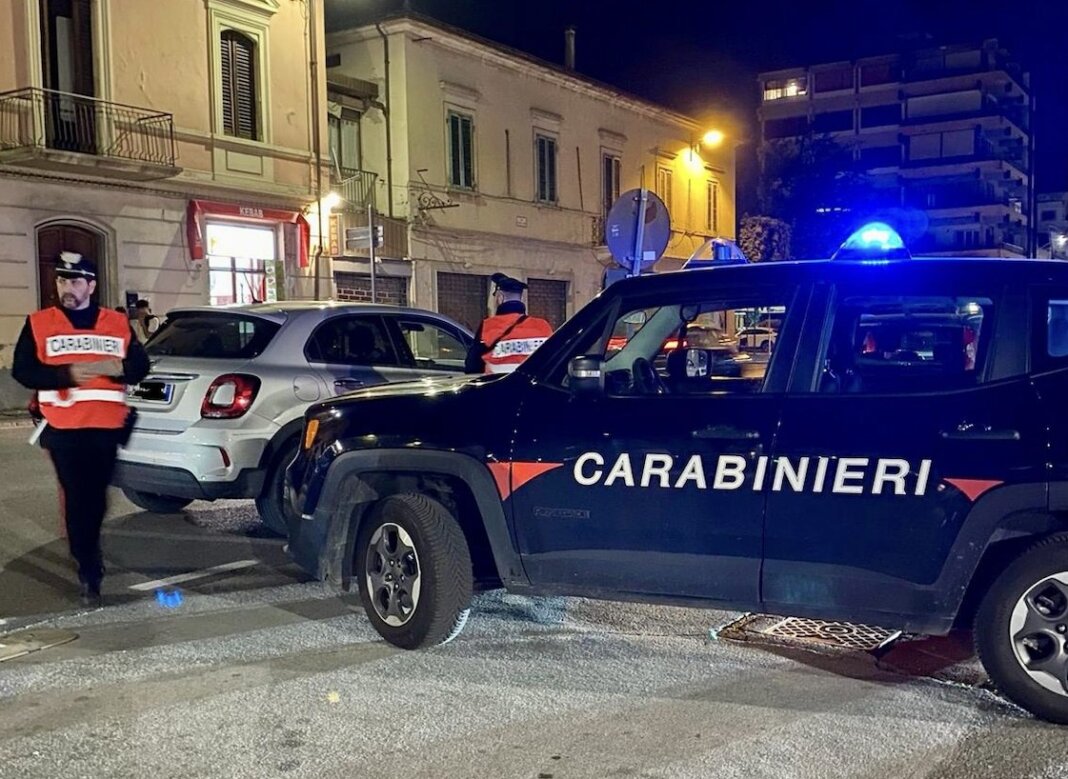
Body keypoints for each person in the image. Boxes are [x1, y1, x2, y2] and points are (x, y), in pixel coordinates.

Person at [11, 252, 150, 607]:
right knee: (76, 498)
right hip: (63, 428)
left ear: (91, 285)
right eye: (61, 281)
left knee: (97, 499)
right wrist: (65, 375)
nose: (66, 288)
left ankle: (87, 550)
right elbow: (23, 371)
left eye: (74, 281)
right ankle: (88, 564)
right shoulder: (40, 322)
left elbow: (139, 367)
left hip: (105, 428)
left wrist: (116, 366)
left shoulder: (116, 323)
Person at [464, 272, 554, 374]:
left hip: (499, 388)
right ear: (522, 299)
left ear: (500, 298)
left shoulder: (488, 326)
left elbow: (472, 367)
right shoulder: (543, 326)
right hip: (535, 389)